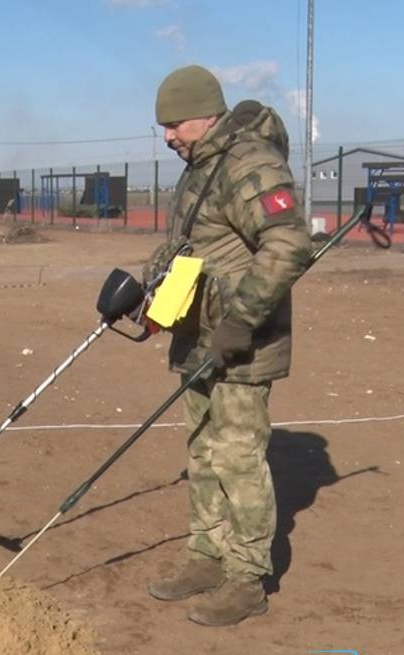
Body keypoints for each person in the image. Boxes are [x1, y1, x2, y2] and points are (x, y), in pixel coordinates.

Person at [141, 65, 312, 626]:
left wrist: (241, 321)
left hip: (240, 342)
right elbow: (188, 247)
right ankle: (207, 556)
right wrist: (150, 291)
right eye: (162, 126)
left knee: (238, 457)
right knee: (201, 449)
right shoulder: (199, 169)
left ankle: (246, 578)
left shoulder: (249, 164)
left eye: (174, 124)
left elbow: (287, 244)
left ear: (205, 114)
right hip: (197, 338)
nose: (167, 136)